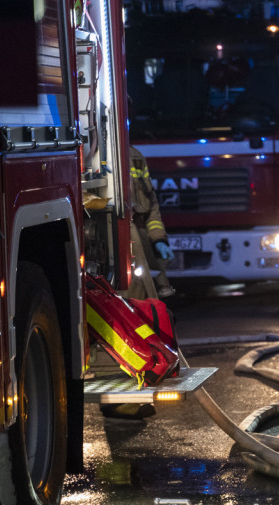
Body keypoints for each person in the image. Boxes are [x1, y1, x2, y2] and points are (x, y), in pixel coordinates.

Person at [100, 146, 175, 420]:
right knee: (122, 323)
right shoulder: (97, 151)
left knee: (142, 321)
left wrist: (158, 240)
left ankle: (136, 392)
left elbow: (151, 204)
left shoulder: (133, 155)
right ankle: (123, 400)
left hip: (139, 245)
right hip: (115, 244)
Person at [129, 145, 175, 299]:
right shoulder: (104, 154)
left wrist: (158, 239)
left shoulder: (136, 156)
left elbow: (151, 207)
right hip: (121, 236)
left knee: (147, 294)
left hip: (140, 236)